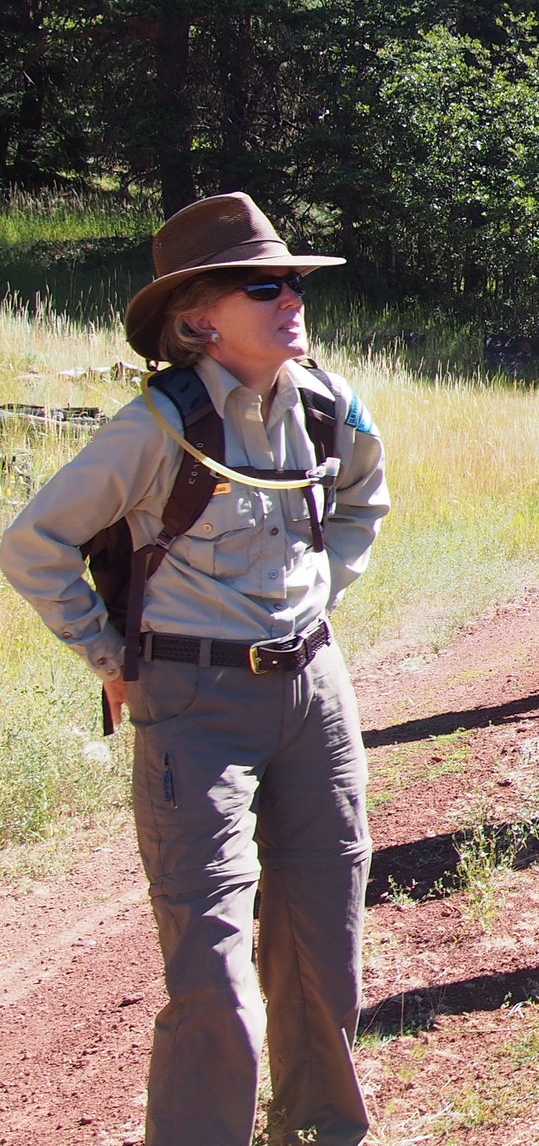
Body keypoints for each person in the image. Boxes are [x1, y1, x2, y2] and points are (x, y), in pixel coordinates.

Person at [2, 192, 389, 1146]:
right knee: (212, 974)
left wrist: (316, 596)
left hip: (314, 700)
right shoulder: (155, 427)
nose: (292, 300)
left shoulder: (331, 406)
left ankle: (322, 1132)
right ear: (198, 319)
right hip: (193, 708)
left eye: (296, 283)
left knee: (325, 945)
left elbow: (363, 503)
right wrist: (112, 658)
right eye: (266, 286)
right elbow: (33, 542)